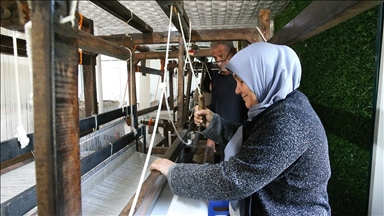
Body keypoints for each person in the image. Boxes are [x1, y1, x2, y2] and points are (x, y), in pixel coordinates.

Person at [150, 42, 331, 215]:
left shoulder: (288, 123)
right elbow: (252, 141)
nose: (237, 90)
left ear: (262, 75)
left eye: (242, 82)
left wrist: (175, 172)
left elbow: (236, 179)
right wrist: (214, 123)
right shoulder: (282, 107)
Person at [207, 41, 248, 160]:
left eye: (222, 57)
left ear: (234, 52)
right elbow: (214, 106)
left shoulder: (245, 75)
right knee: (227, 162)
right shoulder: (217, 79)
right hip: (223, 134)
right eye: (216, 59)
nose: (219, 63)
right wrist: (211, 135)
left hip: (244, 132)